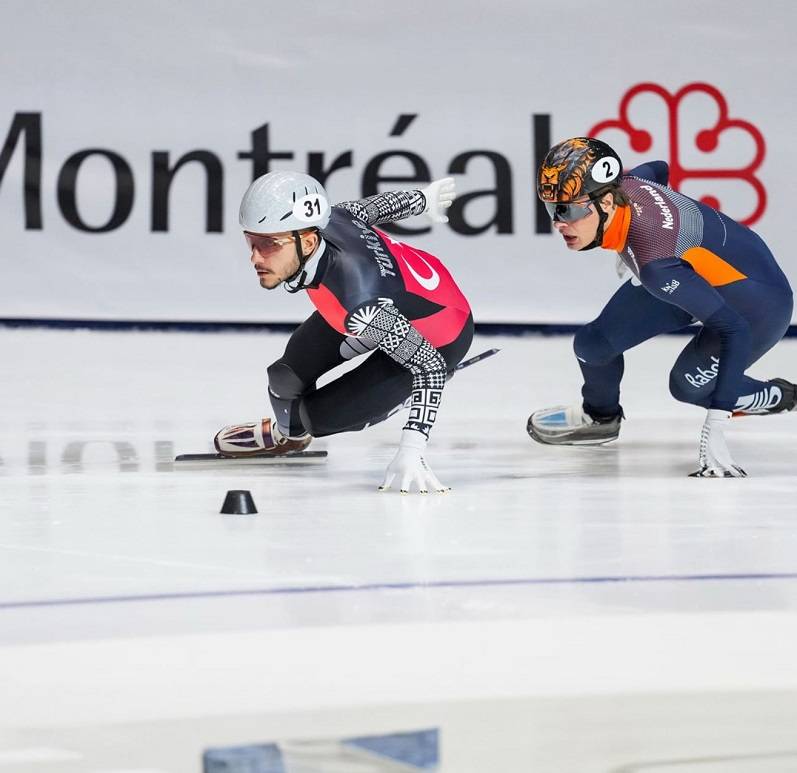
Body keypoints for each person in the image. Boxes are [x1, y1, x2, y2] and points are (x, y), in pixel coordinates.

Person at [527, 137, 795, 477]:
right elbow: (659, 169)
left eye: (570, 209)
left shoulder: (656, 263)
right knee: (593, 345)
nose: (559, 223)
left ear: (608, 202)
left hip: (757, 303)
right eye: (553, 209)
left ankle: (776, 395)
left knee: (688, 386)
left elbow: (735, 329)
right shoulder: (628, 183)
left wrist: (716, 422)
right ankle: (601, 419)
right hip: (696, 273)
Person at [214, 171, 473, 493]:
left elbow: (429, 365)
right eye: (251, 241)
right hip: (388, 302)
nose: (255, 257)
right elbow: (371, 208)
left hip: (440, 336)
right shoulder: (331, 219)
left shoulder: (360, 304)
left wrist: (412, 450)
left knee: (319, 419)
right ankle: (289, 435)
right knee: (284, 376)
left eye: (268, 244)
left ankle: (397, 397)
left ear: (307, 242)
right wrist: (424, 199)